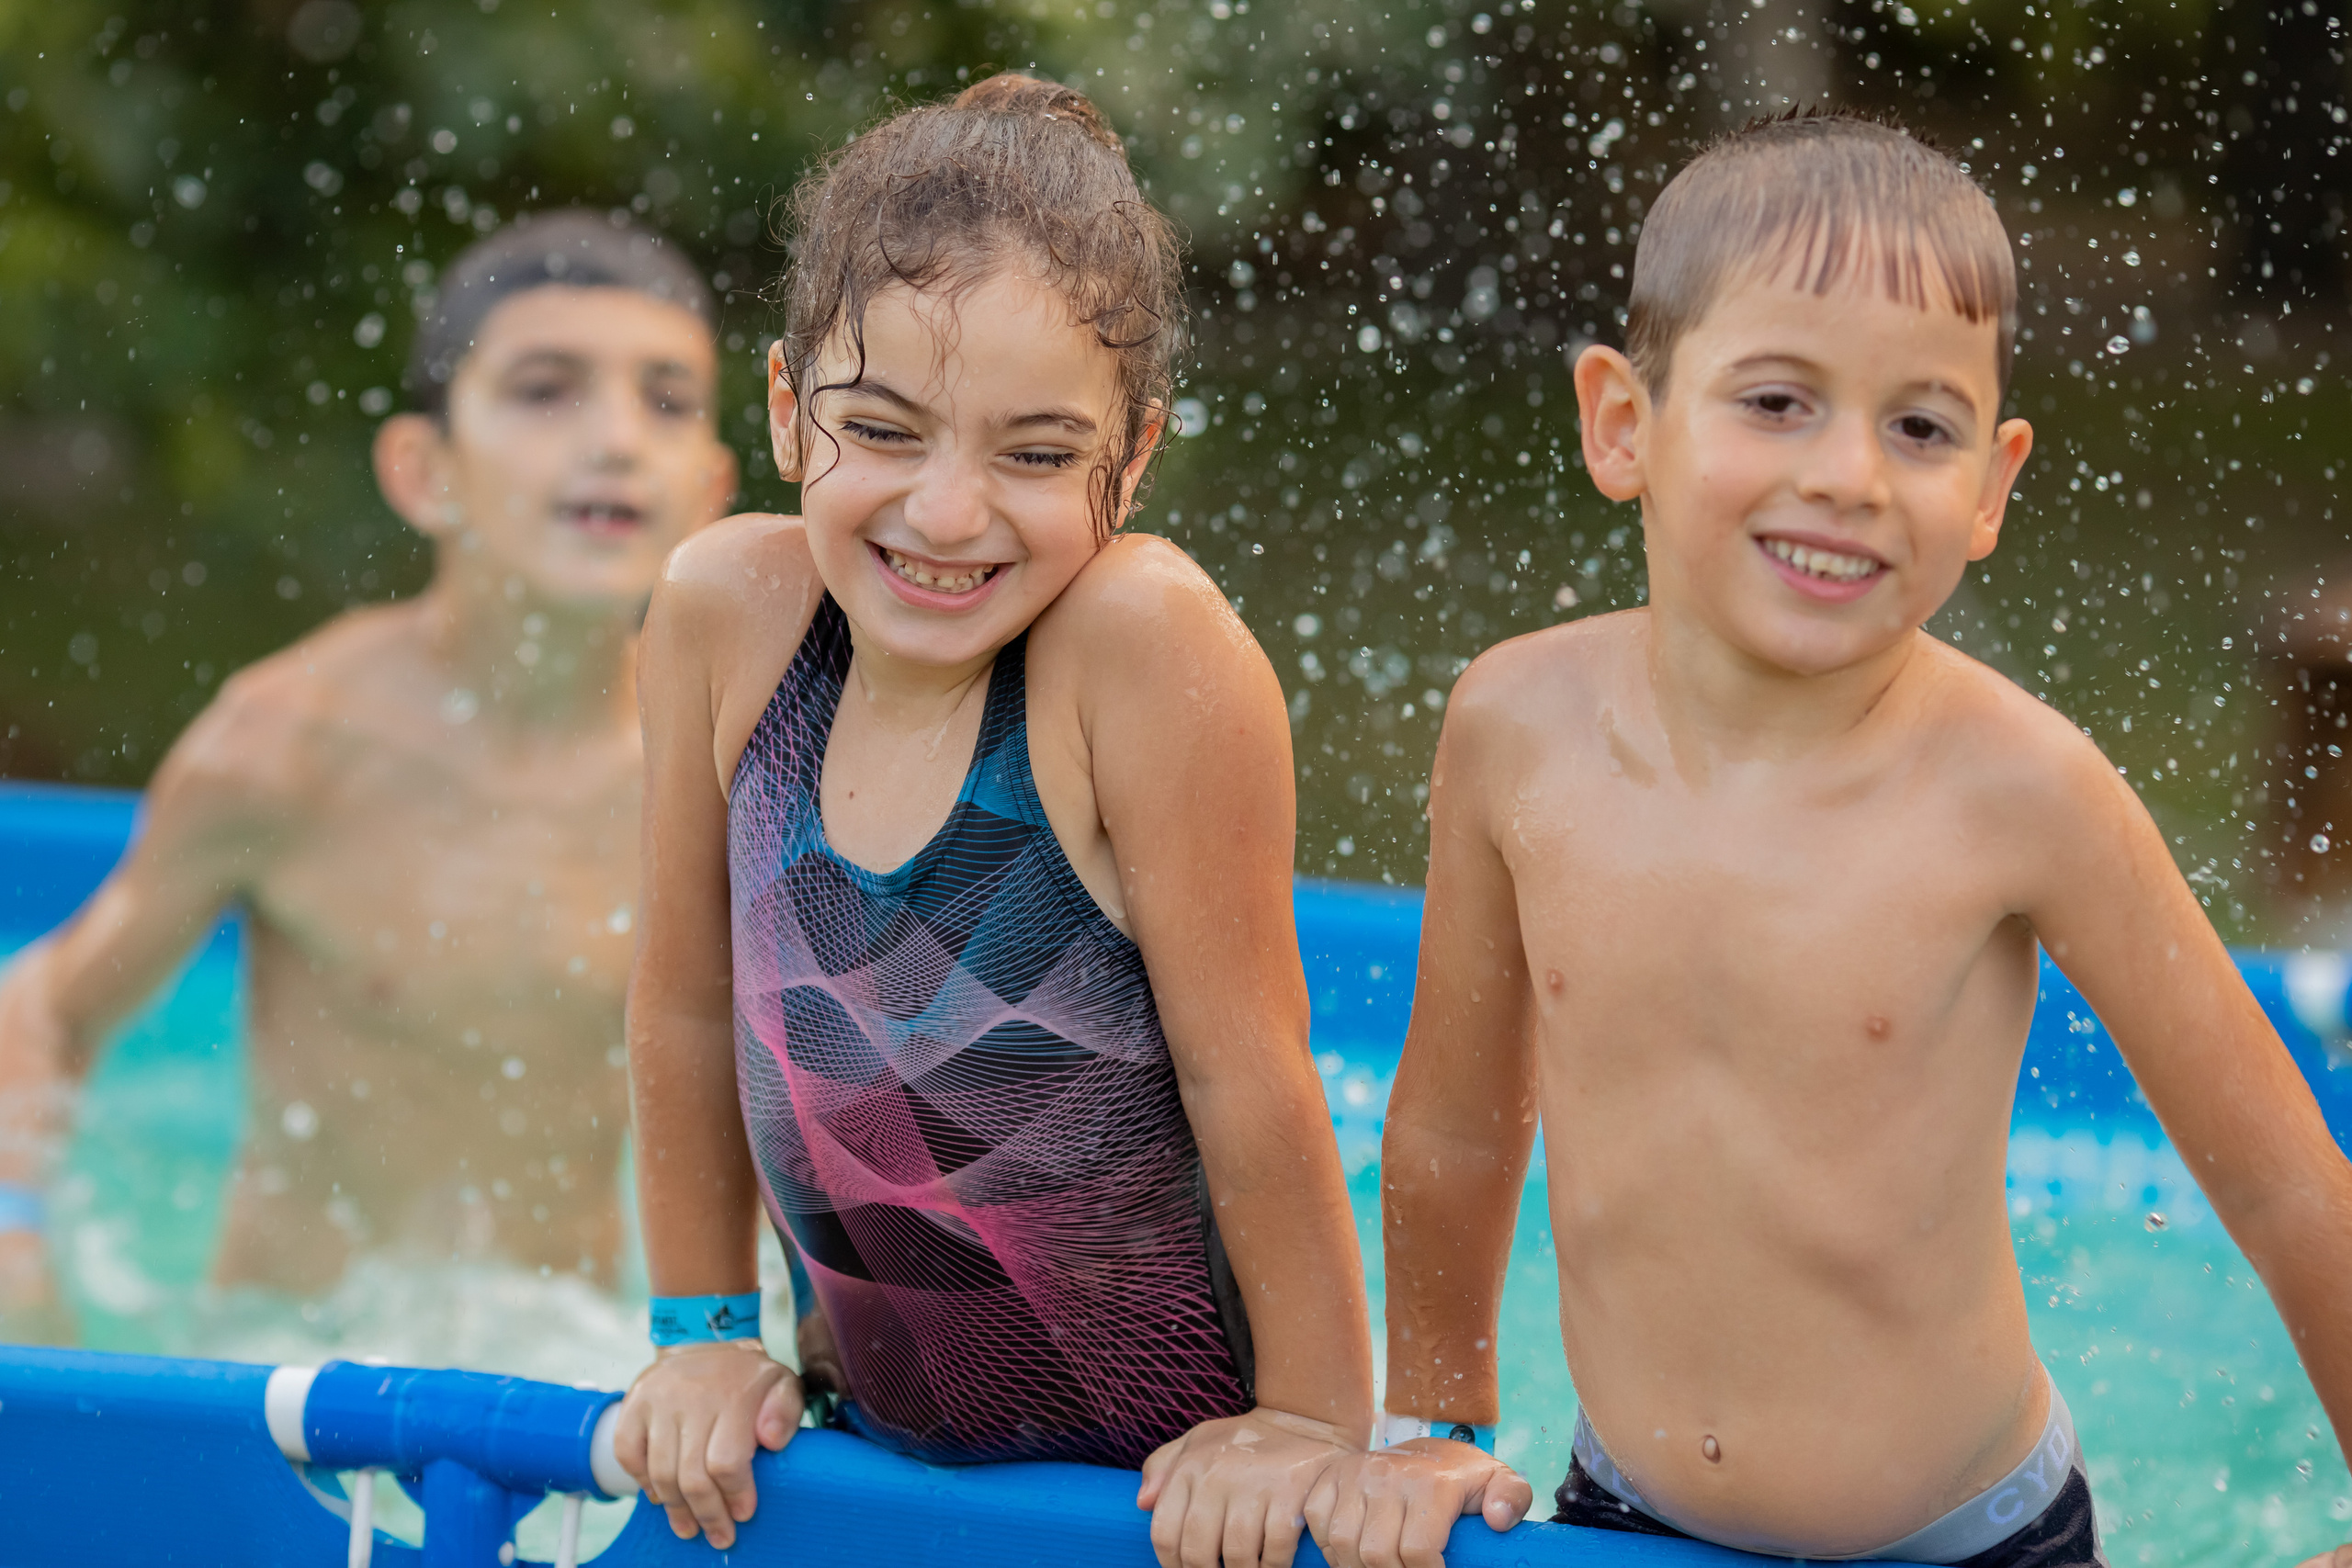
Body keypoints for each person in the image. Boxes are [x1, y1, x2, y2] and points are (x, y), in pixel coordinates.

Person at [1302, 110, 2352, 1568]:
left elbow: (2282, 1166)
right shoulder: (1515, 726)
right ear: (1624, 424)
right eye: (1778, 401)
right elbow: (1458, 1120)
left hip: (1973, 1541)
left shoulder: (2022, 786)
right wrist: (1430, 1420)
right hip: (1627, 1509)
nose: (1851, 474)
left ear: (1989, 483)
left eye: (1920, 426)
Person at [614, 73, 1373, 1567]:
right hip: (865, 1457)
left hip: (1165, 1487)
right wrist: (699, 1331)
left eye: (1034, 456)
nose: (946, 514)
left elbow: (1254, 1078)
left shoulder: (1138, 649)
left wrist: (1312, 1428)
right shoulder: (726, 614)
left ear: (1133, 458)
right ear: (785, 406)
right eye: (883, 431)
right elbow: (685, 1009)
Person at [0, 210, 737, 1339]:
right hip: (281, 1354)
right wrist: (17, 1243)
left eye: (668, 400)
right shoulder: (287, 747)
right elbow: (43, 1008)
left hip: (563, 1358)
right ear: (423, 471)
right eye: (548, 390)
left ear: (710, 493)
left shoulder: (722, 777)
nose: (618, 438)